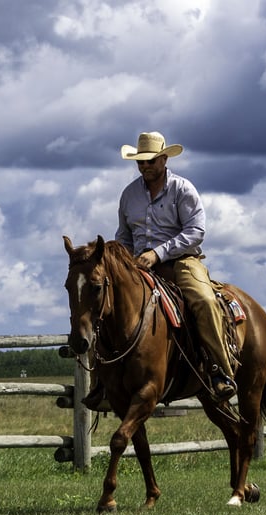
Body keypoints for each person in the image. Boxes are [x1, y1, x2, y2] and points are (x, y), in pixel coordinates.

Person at [82, 131, 237, 409]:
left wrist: (158, 253)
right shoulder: (129, 195)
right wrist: (124, 259)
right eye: (140, 163)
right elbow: (124, 234)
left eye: (150, 162)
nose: (144, 167)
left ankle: (219, 370)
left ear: (164, 159)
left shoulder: (182, 189)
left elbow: (196, 231)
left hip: (182, 261)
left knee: (203, 300)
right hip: (139, 263)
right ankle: (103, 382)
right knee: (105, 303)